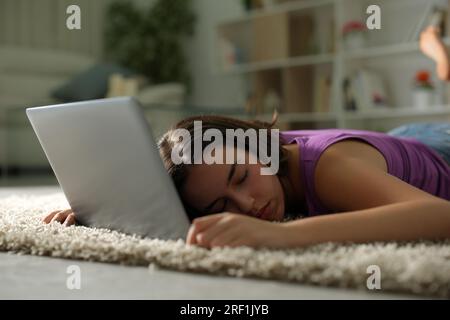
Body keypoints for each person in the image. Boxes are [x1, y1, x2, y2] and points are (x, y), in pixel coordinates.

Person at [43, 26, 450, 250]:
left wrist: (283, 234)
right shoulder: (246, 160)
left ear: (256, 147)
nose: (249, 205)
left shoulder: (327, 168)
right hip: (396, 145)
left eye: (240, 178)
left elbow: (440, 217)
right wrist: (103, 210)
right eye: (223, 205)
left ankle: (436, 51)